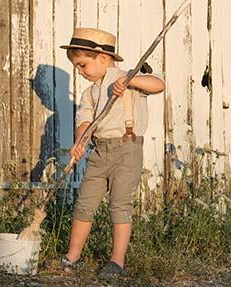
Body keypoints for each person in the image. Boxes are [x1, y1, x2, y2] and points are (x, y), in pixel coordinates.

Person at [59, 28, 165, 277]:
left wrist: (132, 81)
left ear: (103, 59)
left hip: (127, 149)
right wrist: (80, 141)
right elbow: (84, 121)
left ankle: (116, 261)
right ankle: (72, 255)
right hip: (99, 153)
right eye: (77, 67)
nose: (81, 71)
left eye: (83, 65)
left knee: (119, 204)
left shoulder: (129, 77)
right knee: (85, 203)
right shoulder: (90, 93)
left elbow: (158, 84)